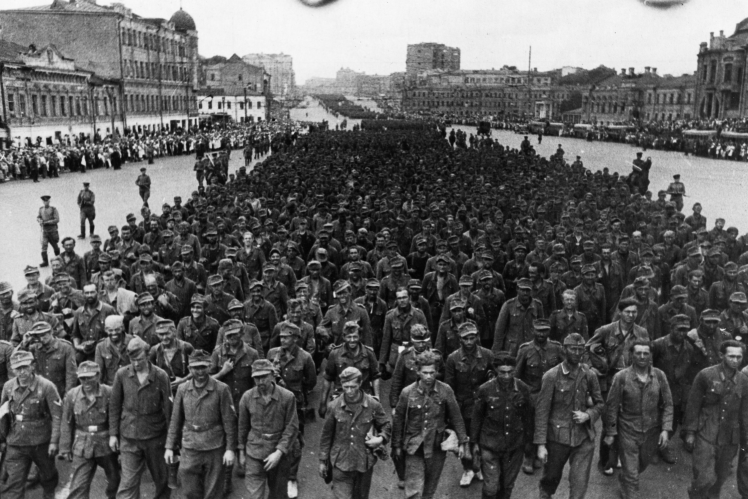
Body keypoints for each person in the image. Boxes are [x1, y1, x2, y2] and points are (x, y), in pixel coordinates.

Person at [534, 333, 604, 499]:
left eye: (580, 349)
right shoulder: (551, 376)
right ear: (564, 350)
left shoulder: (589, 375)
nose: (577, 353)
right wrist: (541, 444)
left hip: (583, 438)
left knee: (579, 484)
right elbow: (542, 412)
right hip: (557, 439)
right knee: (550, 479)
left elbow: (600, 403)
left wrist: (588, 415)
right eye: (573, 349)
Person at [392, 350, 469, 499]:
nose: (429, 376)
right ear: (418, 372)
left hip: (436, 446)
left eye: (432, 372)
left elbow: (457, 418)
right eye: (425, 372)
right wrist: (396, 446)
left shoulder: (445, 390)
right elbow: (398, 421)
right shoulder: (407, 393)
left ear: (437, 372)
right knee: (414, 490)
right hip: (413, 447)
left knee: (429, 489)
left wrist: (463, 442)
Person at [603, 339, 673, 499]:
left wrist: (665, 429)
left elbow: (668, 403)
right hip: (628, 430)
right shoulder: (621, 377)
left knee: (642, 464)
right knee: (632, 474)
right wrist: (611, 432)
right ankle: (630, 488)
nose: (642, 356)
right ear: (632, 355)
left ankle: (625, 479)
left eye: (645, 353)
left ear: (651, 355)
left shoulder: (660, 376)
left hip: (651, 431)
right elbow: (611, 407)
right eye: (638, 353)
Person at [165, 349, 237, 499]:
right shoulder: (183, 389)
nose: (200, 371)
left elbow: (229, 422)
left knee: (214, 490)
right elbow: (175, 419)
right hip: (191, 445)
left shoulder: (221, 389)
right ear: (190, 369)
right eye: (195, 368)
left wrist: (230, 449)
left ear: (210, 366)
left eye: (203, 367)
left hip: (214, 445)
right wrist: (169, 447)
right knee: (189, 487)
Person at [109, 335, 172, 499]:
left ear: (147, 355)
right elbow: (115, 405)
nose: (136, 364)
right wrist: (113, 435)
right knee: (128, 483)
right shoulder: (122, 374)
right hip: (129, 436)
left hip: (155, 437)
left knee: (162, 480)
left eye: (140, 359)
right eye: (132, 360)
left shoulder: (160, 376)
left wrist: (172, 442)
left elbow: (169, 410)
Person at [683, 340, 748, 499]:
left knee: (720, 479)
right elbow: (693, 405)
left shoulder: (744, 381)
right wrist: (690, 433)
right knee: (705, 478)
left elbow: (745, 413)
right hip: (706, 433)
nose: (735, 360)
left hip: (730, 438)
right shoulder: (706, 375)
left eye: (739, 357)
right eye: (731, 356)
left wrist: (746, 440)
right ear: (721, 355)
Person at [318, 366, 391, 499]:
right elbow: (326, 435)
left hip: (364, 462)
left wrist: (380, 439)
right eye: (346, 387)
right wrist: (323, 461)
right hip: (340, 461)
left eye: (353, 386)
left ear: (360, 383)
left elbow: (386, 425)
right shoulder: (334, 406)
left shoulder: (373, 404)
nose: (349, 391)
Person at [0, 350, 61, 499]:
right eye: (17, 368)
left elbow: (57, 416)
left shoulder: (46, 386)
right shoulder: (8, 387)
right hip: (16, 442)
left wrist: (54, 441)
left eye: (25, 367)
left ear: (32, 366)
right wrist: (2, 439)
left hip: (41, 441)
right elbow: (3, 415)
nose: (22, 372)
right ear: (12, 369)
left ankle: (49, 494)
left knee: (48, 475)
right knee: (14, 484)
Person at [471, 351, 532, 499]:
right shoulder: (485, 389)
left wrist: (530, 443)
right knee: (491, 488)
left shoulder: (523, 389)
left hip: (514, 445)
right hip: (490, 444)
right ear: (496, 371)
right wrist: (473, 443)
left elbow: (529, 417)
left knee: (507, 486)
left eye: (510, 372)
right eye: (502, 372)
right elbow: (477, 417)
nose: (506, 376)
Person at [266, 321, 317, 498]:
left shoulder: (305, 357)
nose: (282, 340)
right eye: (281, 336)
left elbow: (311, 381)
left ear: (295, 338)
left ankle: (292, 477)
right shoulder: (273, 354)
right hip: (275, 402)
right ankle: (277, 471)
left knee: (295, 442)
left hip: (296, 403)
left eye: (286, 337)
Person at [237, 358, 299, 499]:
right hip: (254, 452)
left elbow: (292, 427)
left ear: (272, 375)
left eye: (264, 376)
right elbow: (242, 427)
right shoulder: (247, 397)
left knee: (278, 494)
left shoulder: (287, 397)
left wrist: (279, 452)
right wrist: (241, 453)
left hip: (278, 453)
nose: (260, 381)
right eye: (256, 378)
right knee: (254, 495)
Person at [59, 361, 121, 499]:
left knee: (115, 479)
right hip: (82, 444)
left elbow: (116, 418)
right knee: (78, 485)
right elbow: (66, 422)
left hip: (105, 444)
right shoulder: (72, 395)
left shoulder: (109, 392)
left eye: (89, 377)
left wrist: (116, 438)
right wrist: (65, 447)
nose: (86, 382)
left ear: (98, 376)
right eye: (82, 378)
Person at [445, 320, 494, 487]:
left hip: (482, 406)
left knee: (481, 439)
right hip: (463, 406)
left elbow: (493, 380)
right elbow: (449, 387)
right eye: (465, 339)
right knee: (464, 440)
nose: (469, 342)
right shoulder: (453, 358)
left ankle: (478, 466)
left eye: (472, 338)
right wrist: (451, 409)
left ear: (477, 338)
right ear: (460, 339)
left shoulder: (487, 355)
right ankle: (468, 468)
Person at [515, 318, 563, 475]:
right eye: (538, 330)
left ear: (549, 331)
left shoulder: (556, 348)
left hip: (552, 395)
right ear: (533, 331)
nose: (541, 334)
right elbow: (517, 376)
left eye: (545, 330)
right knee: (530, 428)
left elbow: (565, 368)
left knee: (548, 426)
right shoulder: (525, 350)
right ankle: (528, 456)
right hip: (532, 395)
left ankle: (538, 454)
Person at [492, 277, 544, 357]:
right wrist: (496, 351)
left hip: (531, 347)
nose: (525, 293)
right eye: (523, 290)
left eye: (528, 290)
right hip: (512, 349)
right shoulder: (509, 305)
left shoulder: (537, 305)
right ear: (517, 289)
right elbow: (499, 330)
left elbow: (541, 328)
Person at [95, 314, 132, 385]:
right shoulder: (101, 346)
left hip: (130, 385)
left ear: (123, 328)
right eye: (110, 330)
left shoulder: (133, 341)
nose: (114, 333)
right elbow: (99, 373)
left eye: (117, 329)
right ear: (105, 329)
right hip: (111, 387)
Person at [37, 194, 61, 267]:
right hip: (45, 231)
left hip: (52, 231)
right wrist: (40, 220)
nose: (45, 202)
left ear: (49, 201)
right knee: (44, 246)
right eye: (44, 201)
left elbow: (57, 219)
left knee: (55, 246)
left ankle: (58, 260)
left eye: (47, 201)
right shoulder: (41, 209)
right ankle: (45, 261)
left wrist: (47, 222)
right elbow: (38, 217)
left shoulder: (53, 209)